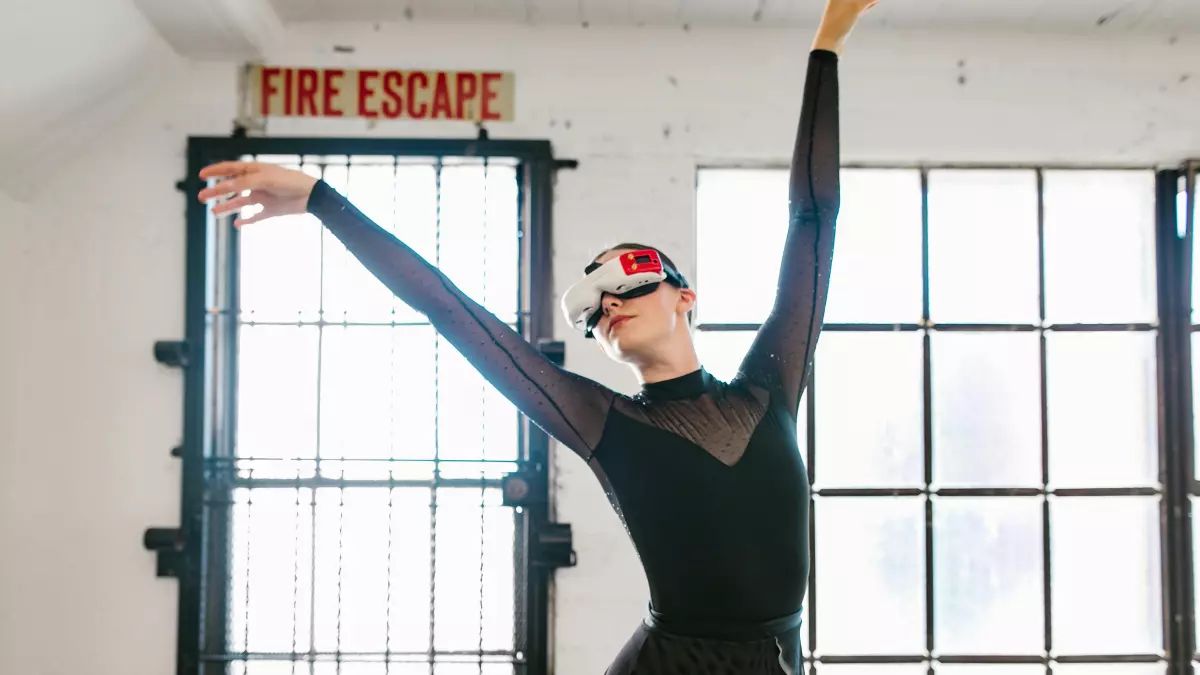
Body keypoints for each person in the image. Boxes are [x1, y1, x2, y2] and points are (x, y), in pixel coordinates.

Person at [198, 0, 874, 671]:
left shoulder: (770, 387)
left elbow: (814, 216)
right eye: (594, 306)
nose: (610, 302)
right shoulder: (602, 422)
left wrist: (828, 43)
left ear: (684, 297)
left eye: (631, 277)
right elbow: (452, 312)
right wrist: (322, 199)